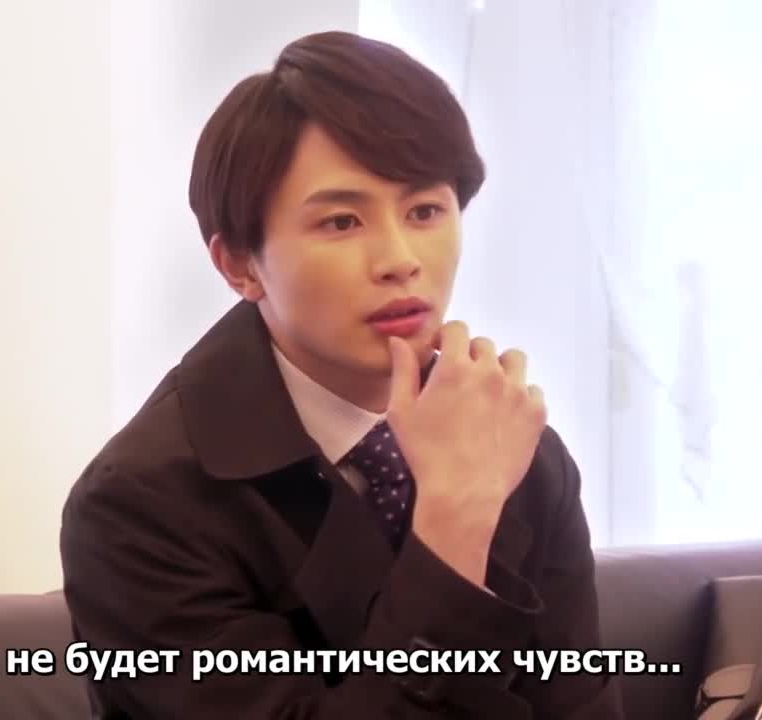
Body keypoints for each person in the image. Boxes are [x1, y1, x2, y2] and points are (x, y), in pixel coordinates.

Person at [59, 30, 623, 719]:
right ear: (239, 265)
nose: (400, 259)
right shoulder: (140, 507)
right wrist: (452, 524)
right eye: (342, 222)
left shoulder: (511, 444)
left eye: (425, 211)